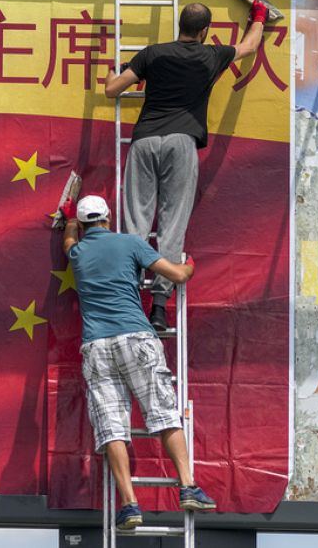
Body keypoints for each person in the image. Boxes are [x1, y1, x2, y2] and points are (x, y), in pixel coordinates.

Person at [104, 0, 269, 330]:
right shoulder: (212, 55)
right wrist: (259, 16)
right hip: (182, 143)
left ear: (179, 25)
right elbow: (250, 46)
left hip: (145, 140)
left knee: (137, 221)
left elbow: (112, 90)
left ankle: (131, 301)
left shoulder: (153, 53)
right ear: (205, 31)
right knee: (172, 223)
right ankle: (159, 308)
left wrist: (116, 68)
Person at [60, 194, 217, 530]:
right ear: (107, 217)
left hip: (97, 345)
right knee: (163, 411)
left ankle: (129, 505)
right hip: (134, 336)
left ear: (85, 225)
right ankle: (188, 486)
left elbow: (69, 239)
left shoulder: (77, 253)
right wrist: (189, 265)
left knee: (111, 426)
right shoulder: (129, 243)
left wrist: (69, 219)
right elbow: (176, 274)